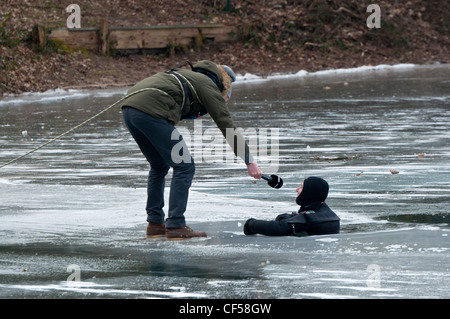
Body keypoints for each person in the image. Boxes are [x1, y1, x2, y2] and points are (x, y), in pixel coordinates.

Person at [121, 60, 262, 240]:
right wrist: (249, 160)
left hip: (129, 110)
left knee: (159, 166)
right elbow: (226, 123)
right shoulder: (208, 84)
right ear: (223, 84)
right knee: (184, 165)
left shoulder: (188, 76)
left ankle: (155, 224)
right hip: (151, 112)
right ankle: (176, 225)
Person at [243, 176, 340, 236]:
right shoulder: (329, 213)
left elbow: (279, 228)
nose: (297, 189)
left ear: (309, 192)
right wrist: (289, 217)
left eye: (301, 187)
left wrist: (250, 224)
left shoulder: (307, 219)